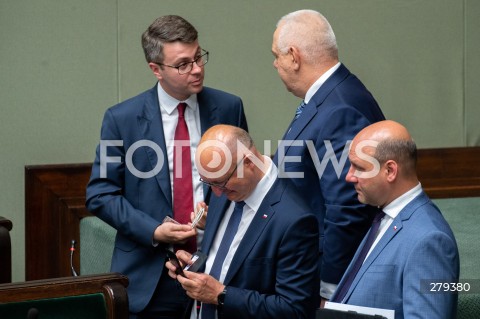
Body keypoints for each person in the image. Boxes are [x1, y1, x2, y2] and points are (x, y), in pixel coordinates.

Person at [85, 15, 248, 319]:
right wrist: (155, 230)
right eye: (183, 64)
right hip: (149, 277)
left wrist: (216, 213)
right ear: (156, 69)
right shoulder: (122, 119)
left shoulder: (229, 108)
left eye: (199, 56)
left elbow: (245, 182)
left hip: (216, 271)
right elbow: (100, 194)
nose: (197, 68)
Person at [270, 9, 386, 305]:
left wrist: (329, 286)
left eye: (277, 56)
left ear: (294, 56)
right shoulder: (330, 95)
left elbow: (347, 208)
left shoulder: (340, 109)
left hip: (329, 275)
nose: (275, 64)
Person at [166, 124, 319, 319]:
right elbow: (223, 261)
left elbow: (293, 310)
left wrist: (221, 295)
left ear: (248, 162)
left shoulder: (295, 220)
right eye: (209, 183)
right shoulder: (225, 185)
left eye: (221, 183)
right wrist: (192, 266)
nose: (216, 193)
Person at [330, 120, 459, 318]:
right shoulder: (383, 217)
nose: (349, 176)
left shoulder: (430, 241)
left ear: (390, 171)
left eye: (359, 167)